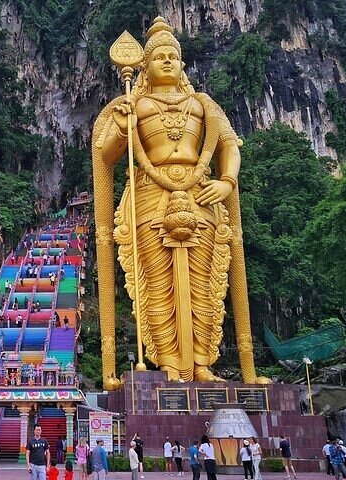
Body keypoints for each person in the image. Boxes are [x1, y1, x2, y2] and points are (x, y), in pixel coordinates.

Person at [92, 15, 269, 385]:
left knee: (205, 283)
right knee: (156, 285)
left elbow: (229, 145)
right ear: (145, 66)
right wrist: (123, 128)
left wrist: (227, 180)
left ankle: (203, 364)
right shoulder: (133, 105)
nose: (168, 60)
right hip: (149, 196)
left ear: (183, 63)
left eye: (174, 55)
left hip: (201, 192)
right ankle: (170, 366)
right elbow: (106, 155)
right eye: (159, 57)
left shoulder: (203, 104)